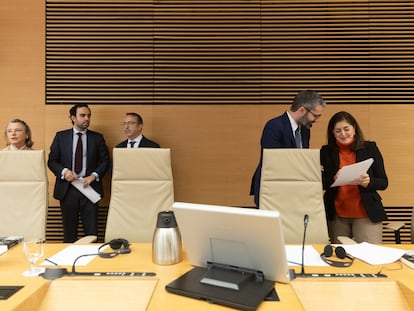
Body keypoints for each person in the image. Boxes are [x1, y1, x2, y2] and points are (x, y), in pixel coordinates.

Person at [320, 111, 388, 244]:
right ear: (332, 133)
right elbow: (320, 183)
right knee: (340, 258)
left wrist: (369, 181)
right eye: (338, 131)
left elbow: (384, 182)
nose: (343, 134)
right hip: (337, 215)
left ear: (354, 128)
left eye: (346, 129)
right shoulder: (326, 151)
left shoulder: (370, 148)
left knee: (370, 258)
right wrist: (334, 178)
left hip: (366, 214)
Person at [250, 90, 326, 207]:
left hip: (294, 191)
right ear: (302, 110)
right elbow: (273, 161)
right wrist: (307, 165)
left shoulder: (305, 130)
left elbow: (302, 156)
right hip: (272, 190)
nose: (316, 120)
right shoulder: (274, 126)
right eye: (315, 115)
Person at [47, 104, 110, 243]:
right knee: (69, 234)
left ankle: (92, 263)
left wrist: (94, 175)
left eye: (89, 115)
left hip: (90, 189)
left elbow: (105, 162)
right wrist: (64, 172)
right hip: (68, 190)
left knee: (92, 234)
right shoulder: (61, 137)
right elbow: (52, 161)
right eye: (82, 115)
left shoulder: (97, 138)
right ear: (73, 118)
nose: (87, 118)